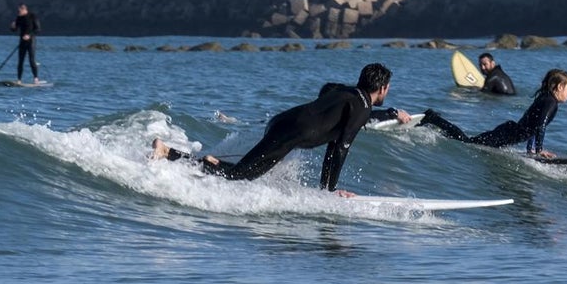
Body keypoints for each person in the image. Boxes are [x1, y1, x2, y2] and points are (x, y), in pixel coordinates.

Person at [152, 62, 393, 193]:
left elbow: (327, 90)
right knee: (240, 176)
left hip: (283, 122)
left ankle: (203, 160)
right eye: (388, 88)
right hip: (291, 132)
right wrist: (329, 192)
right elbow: (339, 149)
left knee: (246, 172)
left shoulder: (347, 92)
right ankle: (170, 153)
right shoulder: (362, 107)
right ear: (382, 88)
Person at [417, 69, 567, 158]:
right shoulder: (551, 102)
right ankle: (433, 118)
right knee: (466, 142)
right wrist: (539, 151)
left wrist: (530, 150)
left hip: (509, 131)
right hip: (508, 134)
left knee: (468, 141)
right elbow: (540, 126)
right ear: (560, 87)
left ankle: (436, 124)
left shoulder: (545, 98)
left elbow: (535, 126)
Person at [10, 4, 41, 83]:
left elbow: (38, 29)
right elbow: (14, 30)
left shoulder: (32, 16)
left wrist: (29, 35)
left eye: (19, 11)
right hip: (22, 41)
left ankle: (36, 78)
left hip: (31, 41)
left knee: (31, 60)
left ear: (24, 10)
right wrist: (12, 27)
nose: (18, 13)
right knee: (20, 61)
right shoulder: (19, 18)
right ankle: (19, 79)